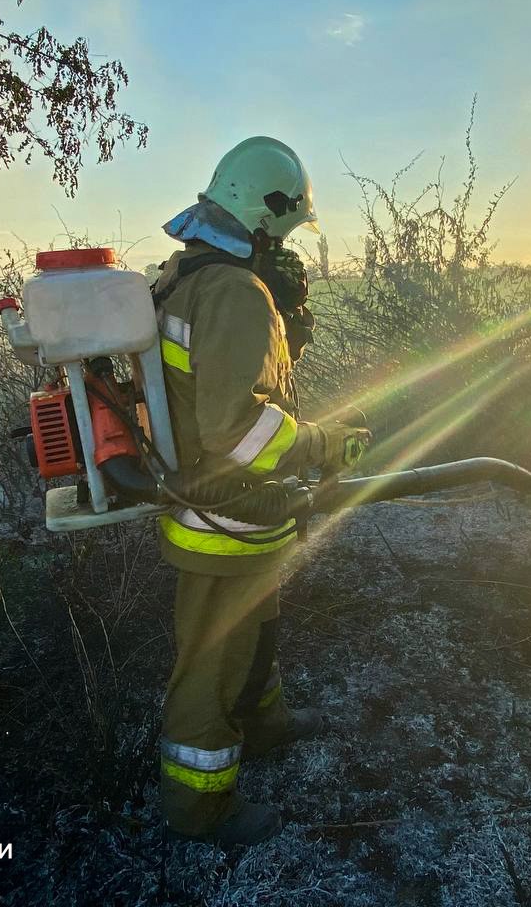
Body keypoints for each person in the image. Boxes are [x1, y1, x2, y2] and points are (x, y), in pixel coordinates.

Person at [151, 136, 371, 847]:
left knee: (258, 633)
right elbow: (234, 429)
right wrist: (323, 444)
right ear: (264, 215)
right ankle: (199, 809)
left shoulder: (188, 272)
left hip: (234, 510)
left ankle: (267, 726)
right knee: (212, 668)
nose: (287, 247)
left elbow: (221, 381)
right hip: (225, 516)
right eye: (284, 232)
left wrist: (286, 329)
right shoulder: (234, 292)